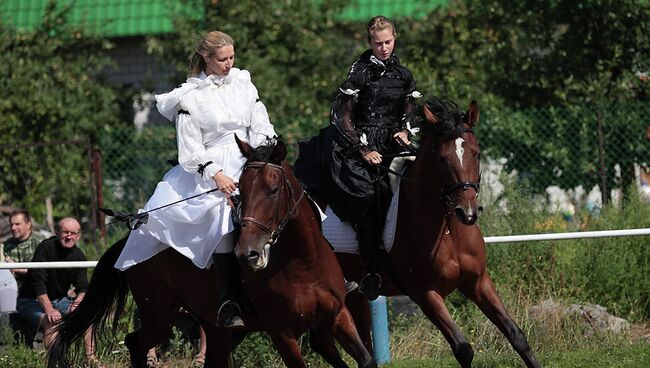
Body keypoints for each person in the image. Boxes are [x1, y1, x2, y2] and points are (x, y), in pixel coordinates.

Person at [114, 31, 277, 328]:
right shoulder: (189, 97)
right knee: (222, 219)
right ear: (206, 58)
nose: (229, 64)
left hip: (251, 157)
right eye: (222, 59)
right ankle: (228, 301)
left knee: (291, 196)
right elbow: (189, 149)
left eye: (232, 57)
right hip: (212, 167)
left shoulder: (243, 82)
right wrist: (216, 175)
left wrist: (264, 151)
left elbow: (260, 120)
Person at [295, 16, 420, 300]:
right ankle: (370, 270)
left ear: (395, 39)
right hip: (354, 147)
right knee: (369, 196)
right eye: (378, 44)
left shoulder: (404, 74)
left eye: (388, 42)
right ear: (369, 43)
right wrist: (363, 149)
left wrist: (405, 130)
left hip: (392, 144)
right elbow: (341, 115)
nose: (384, 48)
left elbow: (410, 107)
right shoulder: (359, 72)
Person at [16, 217, 104, 367]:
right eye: (65, 232)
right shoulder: (45, 248)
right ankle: (56, 363)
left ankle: (90, 359)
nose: (69, 236)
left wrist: (77, 302)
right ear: (57, 232)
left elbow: (83, 287)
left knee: (88, 316)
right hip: (31, 300)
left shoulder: (79, 256)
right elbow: (38, 283)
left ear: (79, 235)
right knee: (52, 321)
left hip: (59, 300)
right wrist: (49, 309)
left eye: (73, 233)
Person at [1, 210, 47, 288]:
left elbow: (44, 271)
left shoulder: (41, 242)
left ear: (28, 225)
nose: (13, 228)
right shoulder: (7, 244)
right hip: (16, 290)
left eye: (17, 224)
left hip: (39, 291)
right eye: (11, 224)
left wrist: (16, 268)